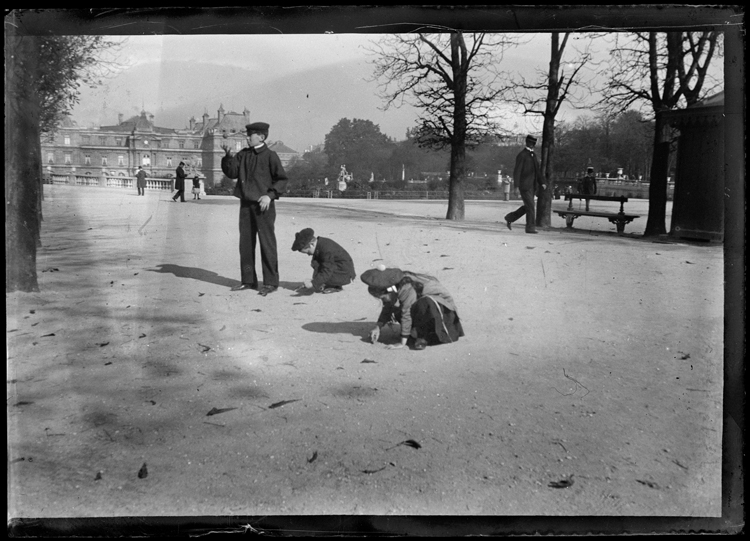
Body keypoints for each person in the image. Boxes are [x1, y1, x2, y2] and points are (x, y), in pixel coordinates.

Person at [221, 122, 288, 296]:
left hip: (263, 206)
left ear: (261, 137)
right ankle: (248, 281)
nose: (247, 138)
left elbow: (281, 180)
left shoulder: (270, 156)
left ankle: (271, 282)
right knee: (246, 245)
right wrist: (228, 155)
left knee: (267, 244)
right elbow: (232, 172)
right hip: (245, 205)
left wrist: (270, 196)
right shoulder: (243, 154)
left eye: (250, 135)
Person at [360, 266, 464, 350]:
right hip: (421, 308)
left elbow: (407, 313)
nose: (383, 300)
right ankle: (415, 332)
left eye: (383, 297)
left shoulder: (406, 288)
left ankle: (421, 335)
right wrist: (377, 327)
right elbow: (388, 306)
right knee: (397, 307)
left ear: (389, 291)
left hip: (443, 313)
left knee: (423, 303)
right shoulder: (393, 287)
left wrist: (401, 343)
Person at [291, 228, 356, 294]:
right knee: (317, 265)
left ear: (312, 244)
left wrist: (314, 283)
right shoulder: (321, 244)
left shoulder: (326, 249)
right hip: (340, 267)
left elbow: (327, 270)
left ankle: (335, 286)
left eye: (307, 251)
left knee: (323, 270)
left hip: (345, 273)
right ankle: (330, 283)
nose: (308, 254)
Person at [504, 135, 547, 234]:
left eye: (533, 143)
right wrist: (516, 186)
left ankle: (510, 217)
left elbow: (537, 171)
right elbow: (517, 171)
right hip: (524, 186)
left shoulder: (533, 155)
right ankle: (530, 227)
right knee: (531, 206)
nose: (532, 145)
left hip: (532, 186)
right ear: (527, 143)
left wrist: (542, 182)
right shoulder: (522, 155)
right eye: (531, 143)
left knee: (528, 206)